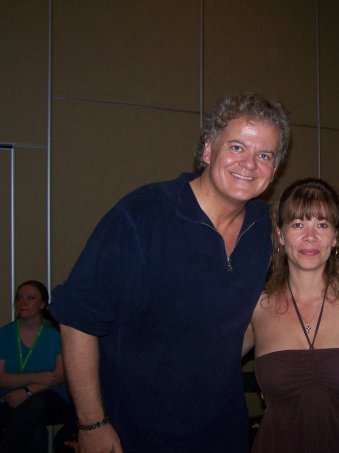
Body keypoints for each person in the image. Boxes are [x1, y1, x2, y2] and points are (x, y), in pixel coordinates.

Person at [49, 92, 291, 452]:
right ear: (207, 151)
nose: (250, 164)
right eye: (237, 147)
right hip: (134, 433)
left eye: (264, 155)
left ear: (274, 170)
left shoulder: (266, 231)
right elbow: (77, 320)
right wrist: (92, 422)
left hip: (222, 432)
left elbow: (268, 312)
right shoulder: (143, 216)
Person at [242, 177, 339, 453]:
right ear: (280, 235)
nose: (310, 237)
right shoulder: (257, 304)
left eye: (322, 225)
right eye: (298, 224)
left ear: (336, 236)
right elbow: (207, 369)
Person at [0, 280, 74, 452]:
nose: (23, 302)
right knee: (33, 428)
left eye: (30, 298)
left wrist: (27, 391)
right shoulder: (5, 334)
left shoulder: (55, 333)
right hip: (12, 397)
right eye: (19, 298)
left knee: (36, 405)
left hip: (50, 397)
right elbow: (1, 378)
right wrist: (36, 377)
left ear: (42, 305)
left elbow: (59, 376)